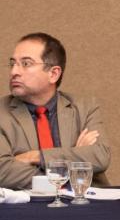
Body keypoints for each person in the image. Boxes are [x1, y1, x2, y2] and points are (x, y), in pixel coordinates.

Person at [0, 32, 111, 189]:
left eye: (26, 64)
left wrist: (36, 156)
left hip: (88, 200)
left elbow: (100, 156)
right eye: (13, 64)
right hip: (30, 203)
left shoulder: (84, 107)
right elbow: (3, 171)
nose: (14, 72)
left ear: (53, 74)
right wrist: (73, 157)